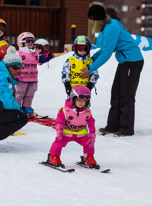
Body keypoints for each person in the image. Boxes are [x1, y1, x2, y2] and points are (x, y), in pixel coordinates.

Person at [81, 4, 144, 136]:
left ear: (94, 19)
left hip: (132, 61)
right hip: (124, 62)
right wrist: (91, 59)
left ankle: (126, 128)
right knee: (116, 93)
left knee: (126, 95)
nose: (90, 22)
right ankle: (113, 125)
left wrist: (90, 69)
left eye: (91, 19)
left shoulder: (111, 28)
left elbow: (106, 54)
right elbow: (103, 50)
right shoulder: (106, 27)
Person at [46, 85, 99, 169]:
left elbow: (91, 123)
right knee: (58, 143)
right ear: (73, 98)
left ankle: (88, 157)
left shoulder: (87, 112)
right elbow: (59, 121)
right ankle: (53, 157)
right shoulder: (65, 110)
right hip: (66, 134)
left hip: (81, 135)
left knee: (89, 144)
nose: (81, 103)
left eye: (84, 101)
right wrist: (59, 131)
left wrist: (91, 134)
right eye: (79, 100)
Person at [16, 31, 39, 116]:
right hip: (22, 78)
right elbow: (15, 65)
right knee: (20, 94)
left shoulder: (35, 53)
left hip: (33, 78)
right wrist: (16, 75)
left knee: (30, 94)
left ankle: (27, 106)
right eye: (28, 41)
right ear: (21, 43)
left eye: (32, 41)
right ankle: (17, 107)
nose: (31, 43)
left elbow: (40, 61)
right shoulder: (19, 54)